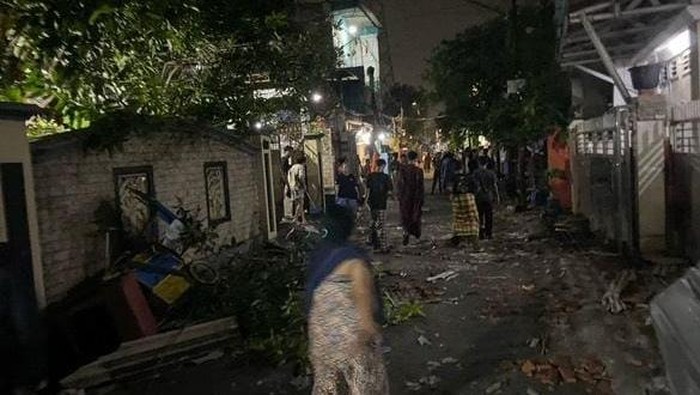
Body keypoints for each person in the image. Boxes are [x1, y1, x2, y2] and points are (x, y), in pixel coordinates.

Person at [306, 204, 389, 394]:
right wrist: (369, 324)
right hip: (350, 338)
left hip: (321, 338)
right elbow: (362, 293)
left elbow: (311, 297)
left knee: (327, 383)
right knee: (363, 383)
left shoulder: (319, 256)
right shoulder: (353, 259)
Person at [365, 159, 393, 253]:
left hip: (372, 205)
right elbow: (389, 192)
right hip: (382, 204)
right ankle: (384, 247)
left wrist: (365, 203)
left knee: (373, 225)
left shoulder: (370, 176)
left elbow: (367, 191)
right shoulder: (386, 177)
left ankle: (375, 245)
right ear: (383, 166)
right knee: (382, 226)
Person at [397, 151, 424, 246]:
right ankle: (416, 235)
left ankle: (405, 232)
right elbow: (420, 186)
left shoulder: (403, 170)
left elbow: (400, 184)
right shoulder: (418, 171)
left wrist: (399, 196)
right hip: (415, 197)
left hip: (405, 197)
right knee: (415, 215)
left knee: (405, 215)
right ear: (416, 158)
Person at [451, 161, 480, 249]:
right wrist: (472, 195)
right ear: (462, 168)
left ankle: (462, 240)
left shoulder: (453, 178)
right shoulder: (469, 177)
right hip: (469, 198)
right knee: (472, 219)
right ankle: (475, 243)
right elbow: (477, 187)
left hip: (457, 200)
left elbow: (450, 189)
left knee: (459, 219)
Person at [473, 158, 500, 239]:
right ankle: (489, 233)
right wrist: (497, 196)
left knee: (479, 215)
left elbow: (476, 186)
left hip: (479, 197)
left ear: (478, 163)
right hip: (489, 197)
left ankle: (480, 233)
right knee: (489, 216)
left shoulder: (476, 173)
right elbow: (495, 186)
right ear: (487, 163)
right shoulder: (491, 173)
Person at [288, 153, 307, 223]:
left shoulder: (292, 167)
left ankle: (303, 219)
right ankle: (295, 218)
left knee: (299, 203)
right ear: (303, 161)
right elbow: (301, 176)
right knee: (300, 203)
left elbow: (289, 175)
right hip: (298, 187)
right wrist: (304, 185)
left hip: (292, 187)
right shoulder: (301, 167)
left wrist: (290, 184)